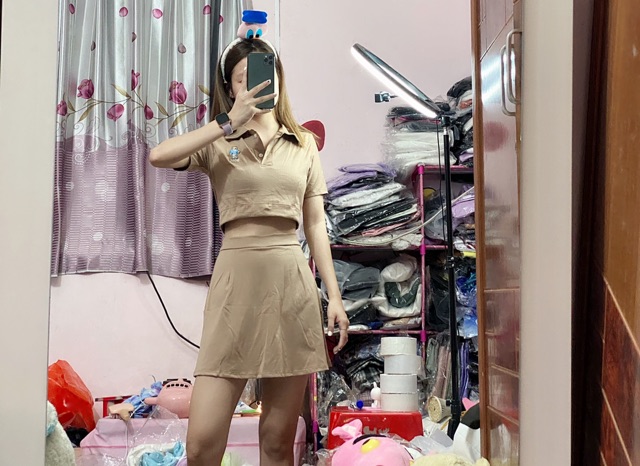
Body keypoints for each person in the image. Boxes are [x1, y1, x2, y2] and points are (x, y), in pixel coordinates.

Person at [149, 28, 349, 466]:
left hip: (290, 284)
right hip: (235, 282)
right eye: (242, 78)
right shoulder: (218, 140)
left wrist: (334, 296)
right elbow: (158, 156)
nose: (254, 84)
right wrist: (226, 122)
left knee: (278, 441)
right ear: (229, 86)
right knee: (201, 444)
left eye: (262, 74)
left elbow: (315, 223)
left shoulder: (303, 143)